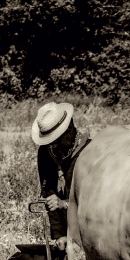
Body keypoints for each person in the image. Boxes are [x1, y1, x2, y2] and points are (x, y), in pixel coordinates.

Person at [31, 102, 90, 251]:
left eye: (56, 141)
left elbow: (93, 205)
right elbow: (49, 193)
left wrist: (64, 204)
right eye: (50, 142)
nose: (53, 147)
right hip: (67, 234)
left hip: (88, 233)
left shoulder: (88, 153)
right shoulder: (45, 153)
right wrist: (59, 235)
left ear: (69, 129)